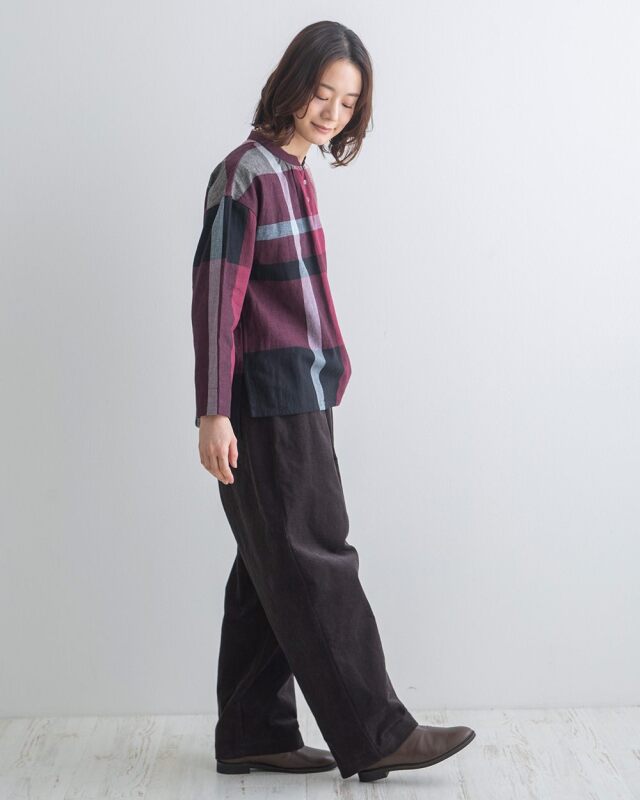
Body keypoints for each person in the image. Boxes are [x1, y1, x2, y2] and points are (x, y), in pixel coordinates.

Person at [190, 19, 476, 783]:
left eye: (348, 103)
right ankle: (377, 733)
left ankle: (252, 731)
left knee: (269, 562)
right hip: (265, 400)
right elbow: (217, 299)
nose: (332, 112)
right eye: (323, 93)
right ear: (292, 84)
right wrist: (213, 410)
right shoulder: (246, 174)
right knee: (316, 556)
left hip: (302, 393)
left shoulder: (294, 171)